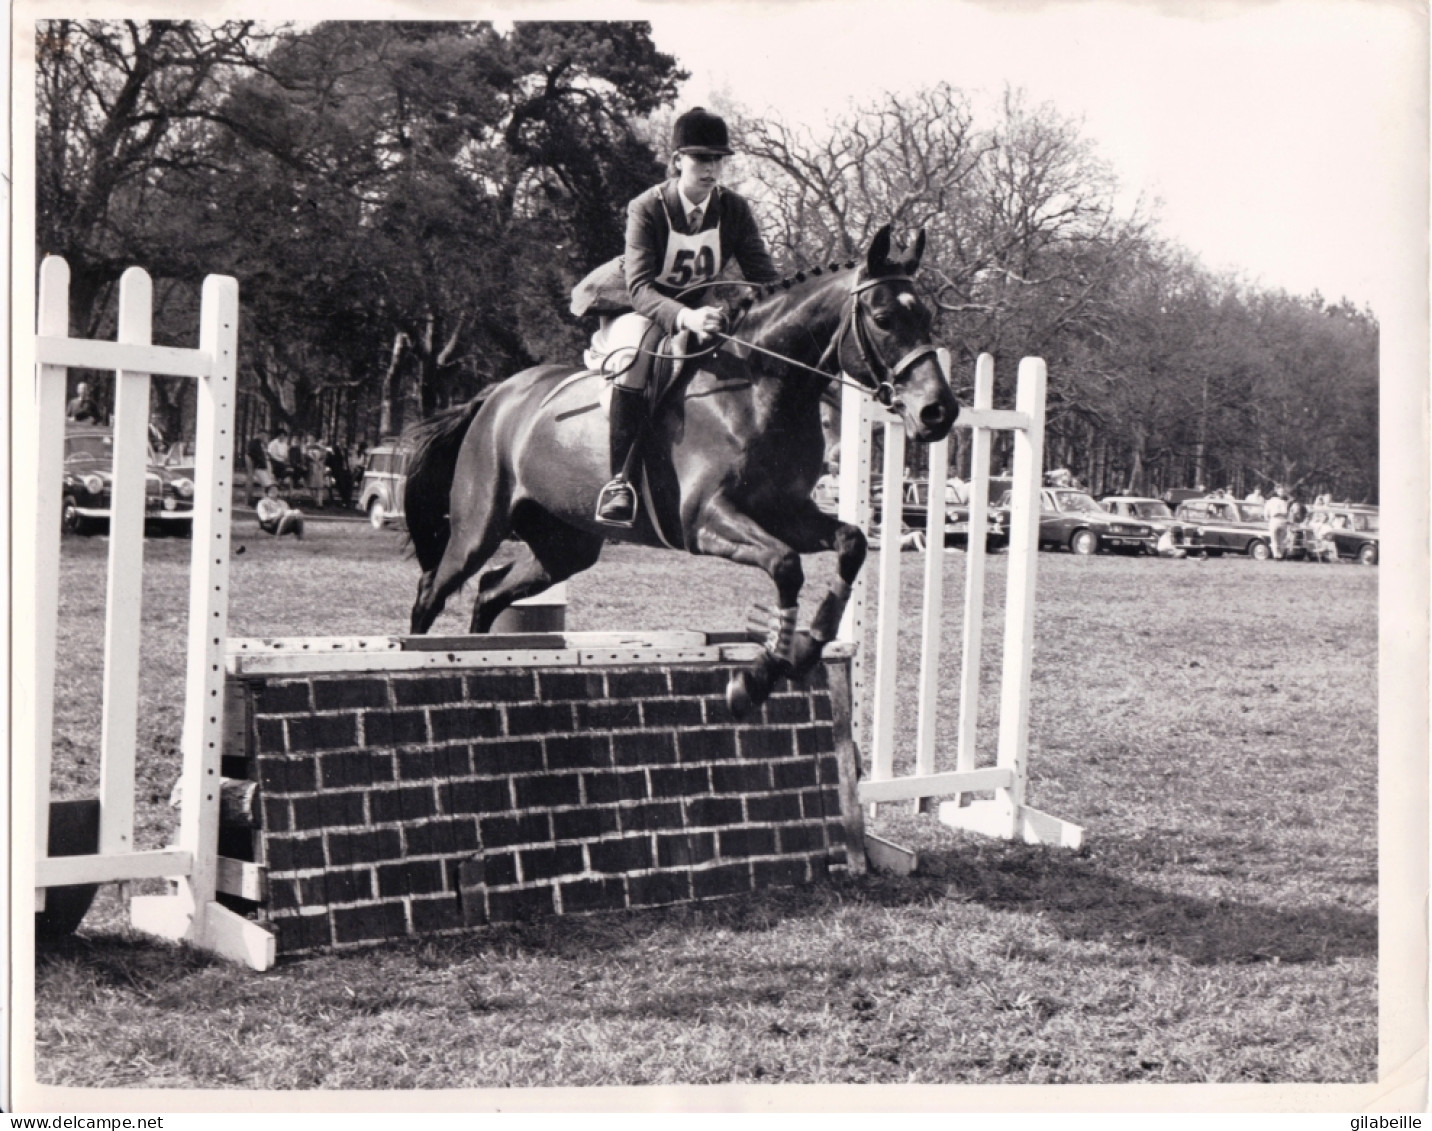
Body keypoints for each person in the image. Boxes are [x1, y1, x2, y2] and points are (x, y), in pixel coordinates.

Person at [581, 107, 780, 527]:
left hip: (697, 311)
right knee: (635, 358)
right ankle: (619, 482)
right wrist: (687, 318)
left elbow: (764, 278)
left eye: (717, 160)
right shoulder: (647, 208)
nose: (711, 170)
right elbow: (639, 288)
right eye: (700, 159)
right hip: (635, 308)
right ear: (677, 161)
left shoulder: (734, 209)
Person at [246, 431, 273, 505]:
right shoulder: (254, 443)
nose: (264, 437)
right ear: (258, 434)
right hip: (258, 467)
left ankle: (265, 500)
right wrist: (259, 460)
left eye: (265, 436)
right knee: (267, 484)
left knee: (267, 484)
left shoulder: (262, 444)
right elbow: (250, 455)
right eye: (263, 435)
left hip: (263, 466)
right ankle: (264, 501)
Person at [1266, 484, 1290, 559]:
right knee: (1274, 539)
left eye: (1283, 491)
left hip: (1282, 520)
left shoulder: (1284, 502)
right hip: (1274, 519)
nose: (1282, 492)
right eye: (1280, 491)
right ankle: (1276, 555)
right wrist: (1269, 520)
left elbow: (1286, 512)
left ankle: (1280, 555)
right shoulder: (1270, 501)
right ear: (1276, 491)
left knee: (1282, 539)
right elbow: (1266, 513)